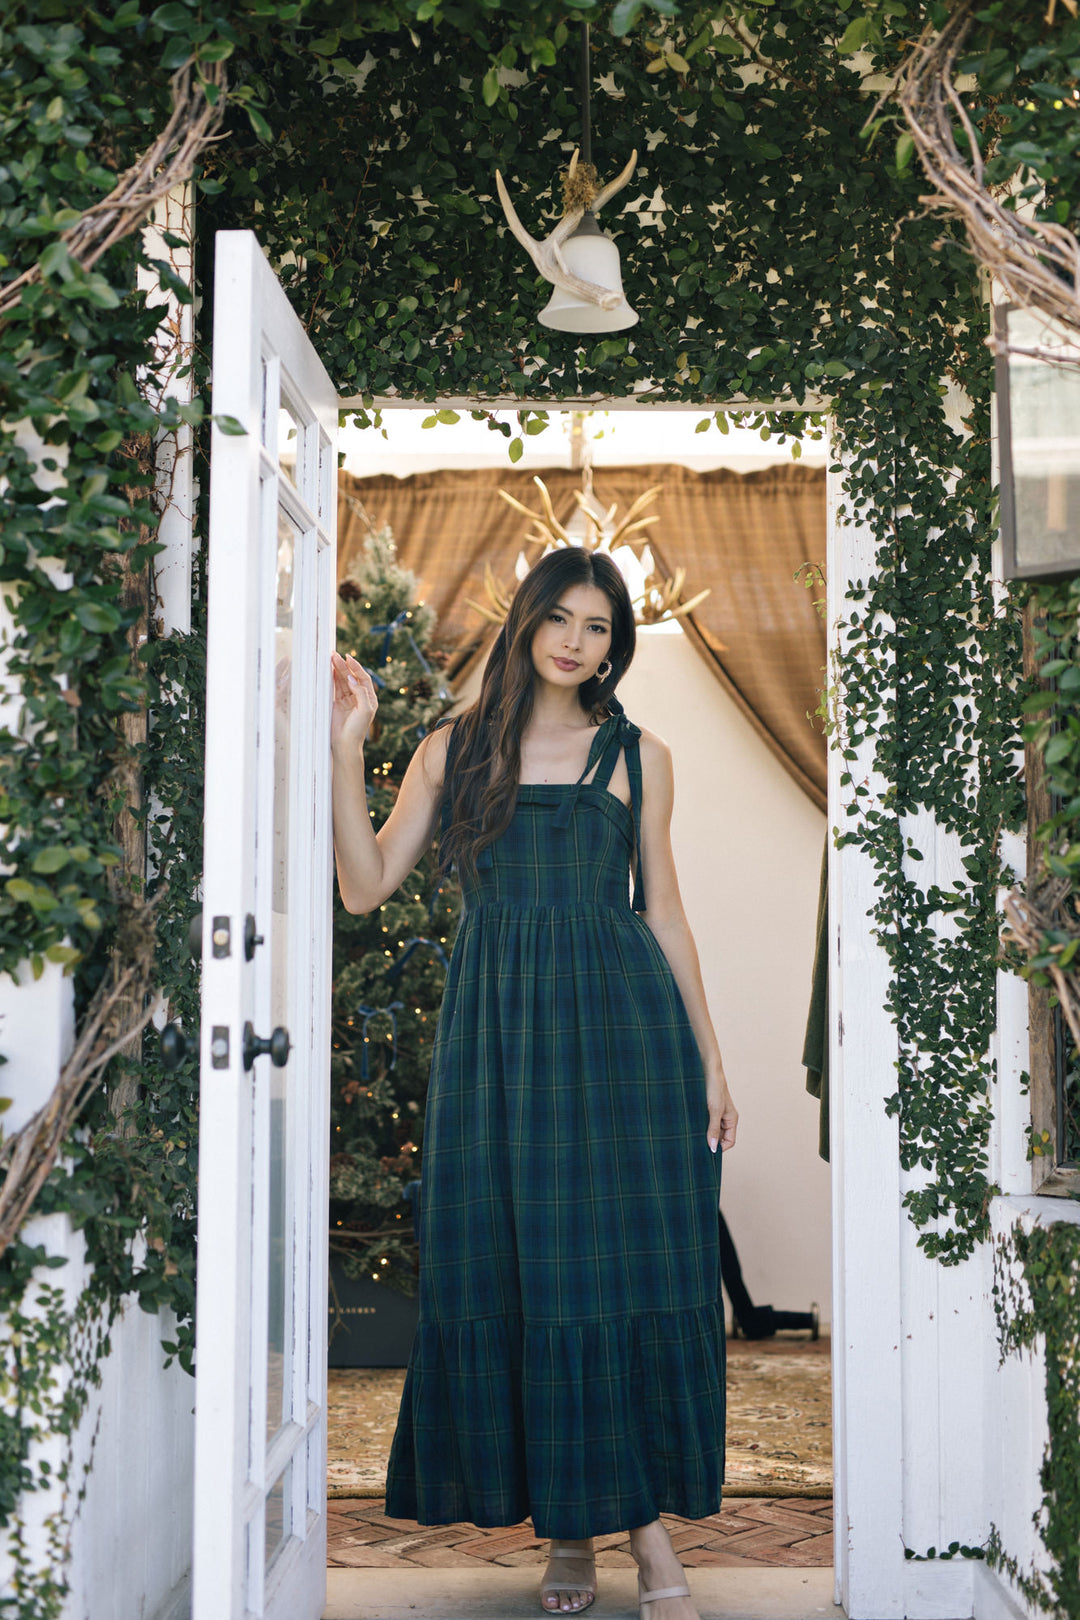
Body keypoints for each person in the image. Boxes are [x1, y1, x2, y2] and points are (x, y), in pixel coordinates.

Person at [330, 547, 738, 1620]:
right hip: (499, 1042)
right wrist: (345, 751)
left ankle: (636, 1538)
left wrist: (711, 1058)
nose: (574, 640)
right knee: (527, 1274)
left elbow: (666, 915)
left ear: (617, 642)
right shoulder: (452, 751)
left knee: (611, 1278)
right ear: (525, 623)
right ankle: (573, 1540)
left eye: (598, 626)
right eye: (559, 618)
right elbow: (365, 887)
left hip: (625, 1040)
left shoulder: (640, 755)